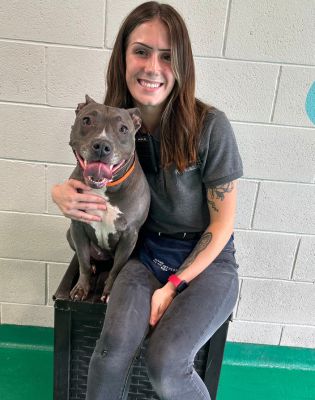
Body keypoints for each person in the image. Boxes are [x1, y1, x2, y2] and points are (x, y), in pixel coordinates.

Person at [51, 2, 243, 399]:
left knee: (166, 362)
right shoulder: (115, 123)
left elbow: (222, 225)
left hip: (207, 263)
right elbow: (87, 171)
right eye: (141, 51)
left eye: (167, 56)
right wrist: (58, 193)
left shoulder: (210, 127)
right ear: (123, 56)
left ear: (183, 65)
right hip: (144, 252)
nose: (153, 66)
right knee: (109, 354)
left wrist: (173, 285)